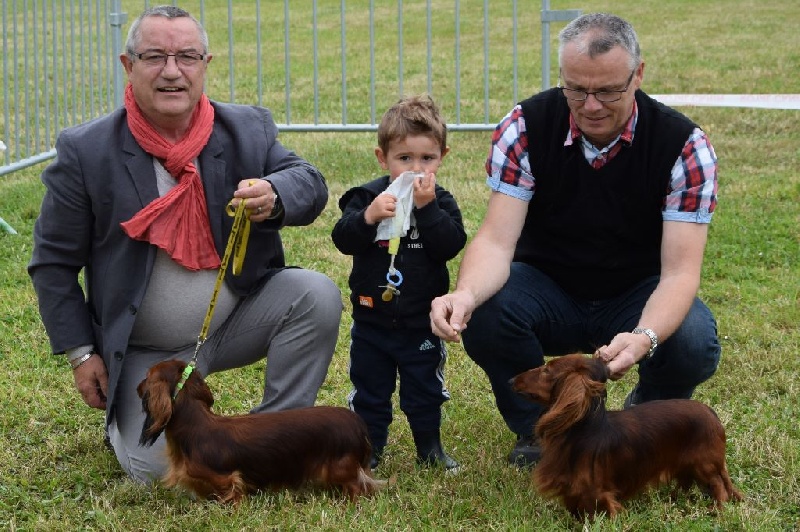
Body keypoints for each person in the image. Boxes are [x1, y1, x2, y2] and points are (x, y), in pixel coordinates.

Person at [28, 5, 342, 483]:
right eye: (155, 56)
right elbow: (52, 263)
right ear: (128, 65)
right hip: (147, 350)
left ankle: (274, 432)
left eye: (187, 57)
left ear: (205, 65)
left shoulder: (247, 127)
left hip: (235, 321)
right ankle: (123, 429)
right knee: (161, 476)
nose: (172, 71)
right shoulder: (86, 151)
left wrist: (276, 193)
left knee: (315, 294)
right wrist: (81, 353)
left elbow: (309, 182)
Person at [430, 13, 721, 468]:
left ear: (638, 75)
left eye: (608, 91)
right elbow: (496, 241)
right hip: (547, 287)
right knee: (486, 311)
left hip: (637, 293)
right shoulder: (524, 126)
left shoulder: (684, 145)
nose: (590, 105)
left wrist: (644, 337)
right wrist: (465, 294)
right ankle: (539, 428)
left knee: (692, 341)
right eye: (575, 89)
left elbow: (680, 273)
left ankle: (645, 417)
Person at [331, 95, 466, 471]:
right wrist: (368, 217)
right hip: (372, 320)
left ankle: (430, 448)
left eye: (427, 158)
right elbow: (343, 238)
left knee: (425, 389)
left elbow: (451, 244)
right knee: (370, 389)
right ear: (383, 157)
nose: (416, 168)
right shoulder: (365, 197)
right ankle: (369, 449)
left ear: (442, 157)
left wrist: (428, 209)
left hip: (421, 322)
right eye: (404, 158)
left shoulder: (440, 201)